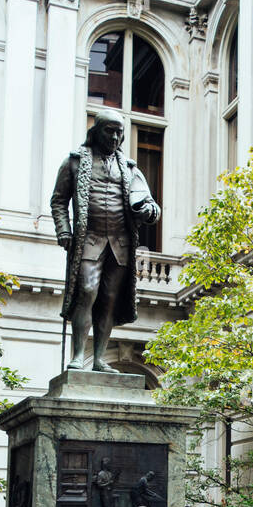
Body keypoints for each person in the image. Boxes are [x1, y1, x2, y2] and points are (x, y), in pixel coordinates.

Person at [49, 110, 161, 372]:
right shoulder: (74, 162)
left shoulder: (131, 169)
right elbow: (58, 200)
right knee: (87, 291)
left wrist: (148, 211)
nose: (114, 136)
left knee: (109, 299)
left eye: (119, 132)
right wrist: (64, 231)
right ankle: (78, 355)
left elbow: (153, 207)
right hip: (90, 238)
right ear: (96, 131)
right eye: (109, 130)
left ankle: (98, 358)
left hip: (120, 243)